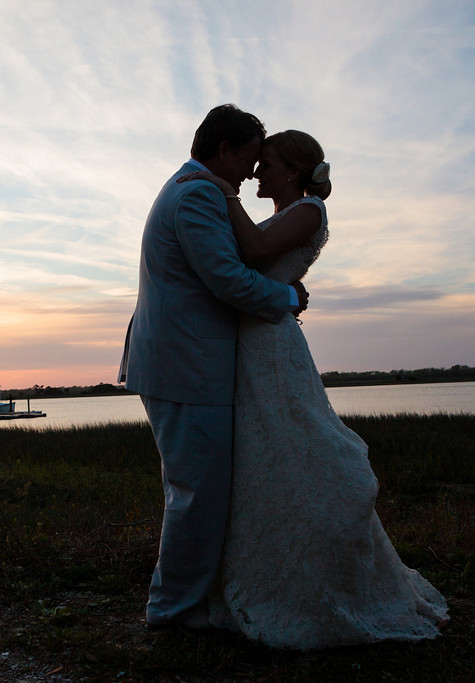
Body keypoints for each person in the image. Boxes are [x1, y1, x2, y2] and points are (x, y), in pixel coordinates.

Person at [182, 130, 449, 649]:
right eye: (254, 164)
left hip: (272, 348)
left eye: (267, 163)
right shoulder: (283, 211)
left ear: (292, 170)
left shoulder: (308, 211)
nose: (257, 172)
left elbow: (256, 249)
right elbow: (242, 258)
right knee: (264, 459)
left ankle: (323, 584)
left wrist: (221, 191)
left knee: (298, 447)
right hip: (250, 343)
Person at [118, 105, 309, 630]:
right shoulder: (200, 194)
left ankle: (188, 601)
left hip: (181, 361)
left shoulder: (185, 186)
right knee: (197, 493)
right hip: (187, 363)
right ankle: (175, 611)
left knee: (194, 489)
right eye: (248, 159)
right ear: (223, 150)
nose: (251, 173)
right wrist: (288, 295)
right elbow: (226, 279)